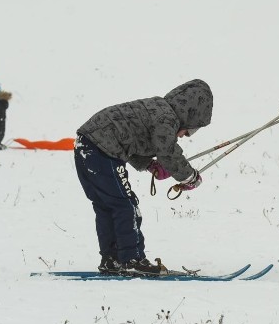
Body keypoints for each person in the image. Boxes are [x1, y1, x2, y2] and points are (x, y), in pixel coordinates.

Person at [74, 79, 212, 276]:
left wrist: (149, 165)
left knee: (107, 206)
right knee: (126, 206)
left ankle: (112, 259)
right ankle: (133, 260)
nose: (185, 135)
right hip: (102, 150)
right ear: (188, 114)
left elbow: (131, 138)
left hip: (85, 146)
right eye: (191, 129)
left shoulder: (157, 109)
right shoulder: (167, 117)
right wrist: (189, 177)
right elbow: (168, 152)